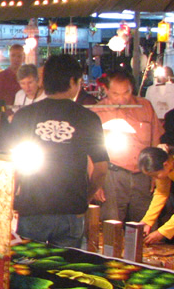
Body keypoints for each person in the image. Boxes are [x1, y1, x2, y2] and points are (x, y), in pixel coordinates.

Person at [7, 54, 109, 248]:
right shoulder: (88, 118)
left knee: (32, 263)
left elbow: (11, 166)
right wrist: (84, 200)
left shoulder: (24, 116)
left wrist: (9, 201)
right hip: (70, 211)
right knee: (66, 264)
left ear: (43, 81)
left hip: (31, 208)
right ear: (72, 82)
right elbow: (101, 169)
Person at [95, 69, 164, 222]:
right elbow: (91, 151)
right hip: (112, 174)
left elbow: (155, 140)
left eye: (126, 92)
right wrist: (96, 183)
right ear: (106, 90)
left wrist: (156, 172)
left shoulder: (145, 106)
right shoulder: (98, 111)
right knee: (112, 224)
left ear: (131, 88)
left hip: (143, 174)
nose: (121, 98)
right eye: (116, 94)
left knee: (145, 222)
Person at [138, 146, 174, 245]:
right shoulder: (167, 167)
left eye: (155, 175)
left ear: (165, 164)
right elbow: (161, 193)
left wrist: (162, 232)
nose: (155, 178)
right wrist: (147, 221)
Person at [0, 44, 25, 150]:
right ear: (9, 57)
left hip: (22, 121)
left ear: (23, 58)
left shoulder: (28, 79)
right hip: (2, 121)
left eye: (19, 56)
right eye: (13, 55)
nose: (16, 59)